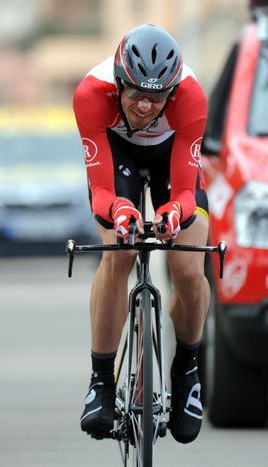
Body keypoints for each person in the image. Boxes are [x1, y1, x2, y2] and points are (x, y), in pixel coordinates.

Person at [73, 24, 209, 444]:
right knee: (118, 254)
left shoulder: (190, 97)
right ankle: (101, 381)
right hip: (117, 155)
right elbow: (100, 191)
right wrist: (120, 208)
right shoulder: (91, 94)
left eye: (156, 97)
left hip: (172, 158)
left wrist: (172, 213)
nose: (146, 106)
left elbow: (186, 191)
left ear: (172, 90)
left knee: (188, 265)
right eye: (135, 94)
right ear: (119, 81)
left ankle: (187, 371)